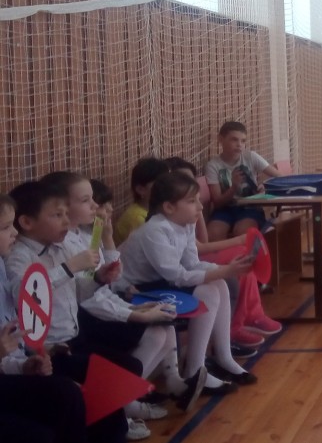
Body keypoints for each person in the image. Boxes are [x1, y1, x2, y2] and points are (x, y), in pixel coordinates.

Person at [39, 172, 204, 416]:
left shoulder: (85, 236)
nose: (95, 206)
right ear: (62, 206)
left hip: (101, 305)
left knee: (163, 323)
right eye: (85, 200)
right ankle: (126, 401)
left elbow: (105, 279)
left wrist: (107, 239)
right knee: (154, 332)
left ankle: (171, 383)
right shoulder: (62, 246)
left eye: (93, 199)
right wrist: (132, 313)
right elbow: (88, 296)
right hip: (87, 318)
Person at [118, 172, 256, 394]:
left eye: (198, 200)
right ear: (169, 207)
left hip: (157, 283)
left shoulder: (184, 224)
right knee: (208, 291)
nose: (200, 207)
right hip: (131, 291)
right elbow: (177, 276)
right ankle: (194, 370)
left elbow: (192, 263)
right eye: (192, 201)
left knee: (218, 283)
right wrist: (224, 270)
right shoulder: (155, 230)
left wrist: (224, 269)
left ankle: (224, 357)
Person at [164, 157, 281, 348]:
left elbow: (202, 242)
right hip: (182, 271)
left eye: (192, 182)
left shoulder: (185, 213)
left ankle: (251, 316)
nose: (189, 186)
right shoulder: (158, 221)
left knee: (241, 254)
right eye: (183, 181)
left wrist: (197, 212)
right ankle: (235, 328)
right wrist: (238, 241)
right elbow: (198, 250)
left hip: (193, 260)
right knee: (239, 256)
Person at [0, 193, 89, 443]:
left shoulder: (1, 266)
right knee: (42, 431)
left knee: (67, 394)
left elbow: (12, 336)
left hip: (34, 353)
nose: (14, 233)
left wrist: (24, 364)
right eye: (5, 227)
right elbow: (27, 295)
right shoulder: (16, 259)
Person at [204, 121, 281, 242]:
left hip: (250, 208)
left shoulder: (250, 156)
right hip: (225, 209)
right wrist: (234, 187)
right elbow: (218, 202)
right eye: (234, 140)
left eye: (243, 141)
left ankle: (245, 254)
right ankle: (225, 255)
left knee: (243, 231)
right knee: (214, 233)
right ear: (220, 139)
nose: (239, 145)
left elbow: (280, 177)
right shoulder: (213, 165)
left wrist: (265, 185)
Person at [115, 158, 171, 246]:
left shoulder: (155, 211)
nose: (168, 188)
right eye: (160, 184)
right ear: (141, 190)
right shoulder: (137, 218)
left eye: (168, 183)